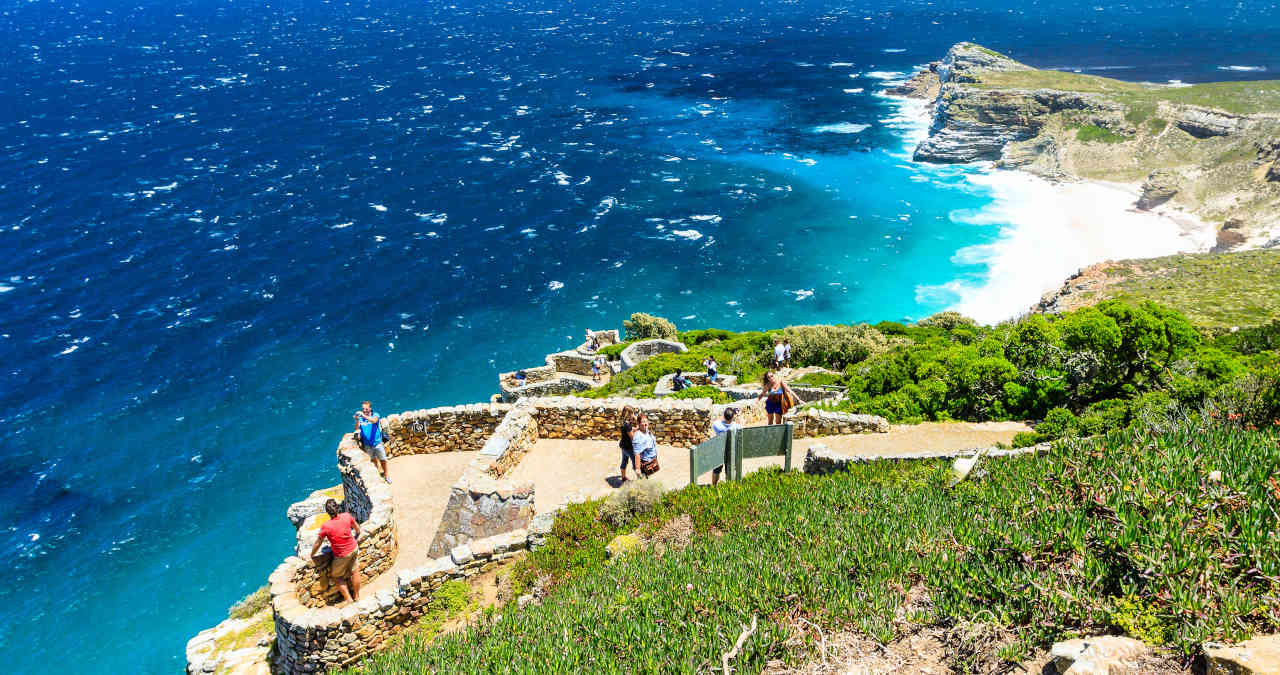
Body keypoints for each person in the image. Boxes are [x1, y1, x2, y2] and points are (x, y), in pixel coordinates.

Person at [310, 499, 361, 604]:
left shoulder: (326, 526)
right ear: (337, 508)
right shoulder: (347, 516)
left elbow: (318, 543)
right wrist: (356, 534)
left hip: (342, 555)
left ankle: (349, 599)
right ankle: (357, 596)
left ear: (328, 512)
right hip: (354, 548)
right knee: (355, 571)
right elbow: (357, 529)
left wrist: (312, 554)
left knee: (336, 577)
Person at [354, 401, 391, 483]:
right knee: (373, 460)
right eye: (363, 409)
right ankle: (377, 474)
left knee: (383, 460)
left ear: (370, 408)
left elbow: (374, 421)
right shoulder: (361, 418)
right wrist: (357, 420)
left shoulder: (375, 415)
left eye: (366, 409)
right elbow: (356, 429)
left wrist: (363, 415)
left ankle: (386, 475)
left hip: (377, 443)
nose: (364, 410)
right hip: (367, 444)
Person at [709, 408, 740, 485]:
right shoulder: (736, 427)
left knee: (716, 470)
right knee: (729, 470)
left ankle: (714, 486)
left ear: (724, 416)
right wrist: (737, 416)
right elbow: (740, 426)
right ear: (732, 417)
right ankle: (728, 487)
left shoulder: (717, 425)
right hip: (730, 451)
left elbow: (717, 422)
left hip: (719, 451)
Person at [633, 413, 660, 477]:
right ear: (639, 424)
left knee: (650, 478)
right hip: (646, 463)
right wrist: (638, 469)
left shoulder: (646, 430)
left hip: (652, 460)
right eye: (643, 422)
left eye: (646, 421)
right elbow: (637, 453)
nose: (645, 423)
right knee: (645, 480)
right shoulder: (638, 436)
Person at [617, 407, 639, 482]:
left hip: (623, 446)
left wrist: (635, 429)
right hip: (629, 448)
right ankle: (640, 480)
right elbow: (632, 437)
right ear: (628, 414)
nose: (633, 415)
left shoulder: (623, 422)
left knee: (624, 461)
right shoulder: (627, 425)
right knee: (636, 464)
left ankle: (623, 477)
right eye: (632, 413)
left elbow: (629, 430)